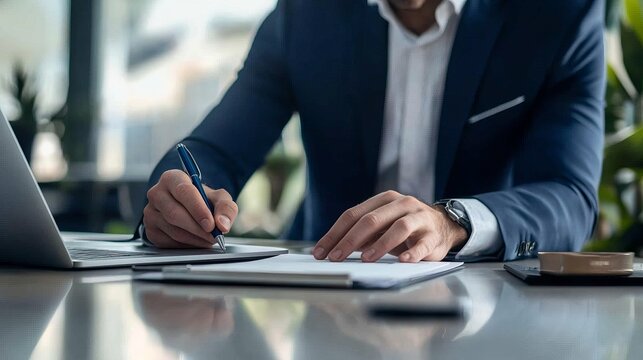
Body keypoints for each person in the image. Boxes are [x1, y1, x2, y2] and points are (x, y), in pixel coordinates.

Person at [140, 0, 605, 262]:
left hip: (484, 311)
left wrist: (453, 222)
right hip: (328, 293)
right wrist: (176, 200)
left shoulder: (558, 15)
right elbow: (212, 149)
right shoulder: (306, 16)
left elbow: (569, 195)